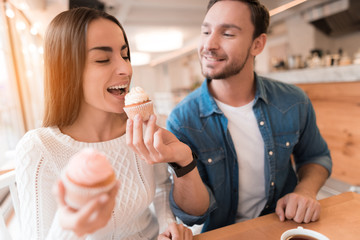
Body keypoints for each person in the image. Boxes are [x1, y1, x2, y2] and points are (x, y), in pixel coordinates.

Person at [15, 7, 193, 239]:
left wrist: (168, 225)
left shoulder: (139, 125)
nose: (126, 69)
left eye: (125, 55)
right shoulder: (38, 149)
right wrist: (71, 224)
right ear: (66, 70)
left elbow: (161, 186)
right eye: (102, 59)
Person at [166, 0, 332, 233]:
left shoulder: (293, 101)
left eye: (227, 33)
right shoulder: (183, 120)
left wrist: (305, 191)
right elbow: (193, 215)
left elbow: (317, 156)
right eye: (205, 31)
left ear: (257, 44)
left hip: (284, 228)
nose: (209, 44)